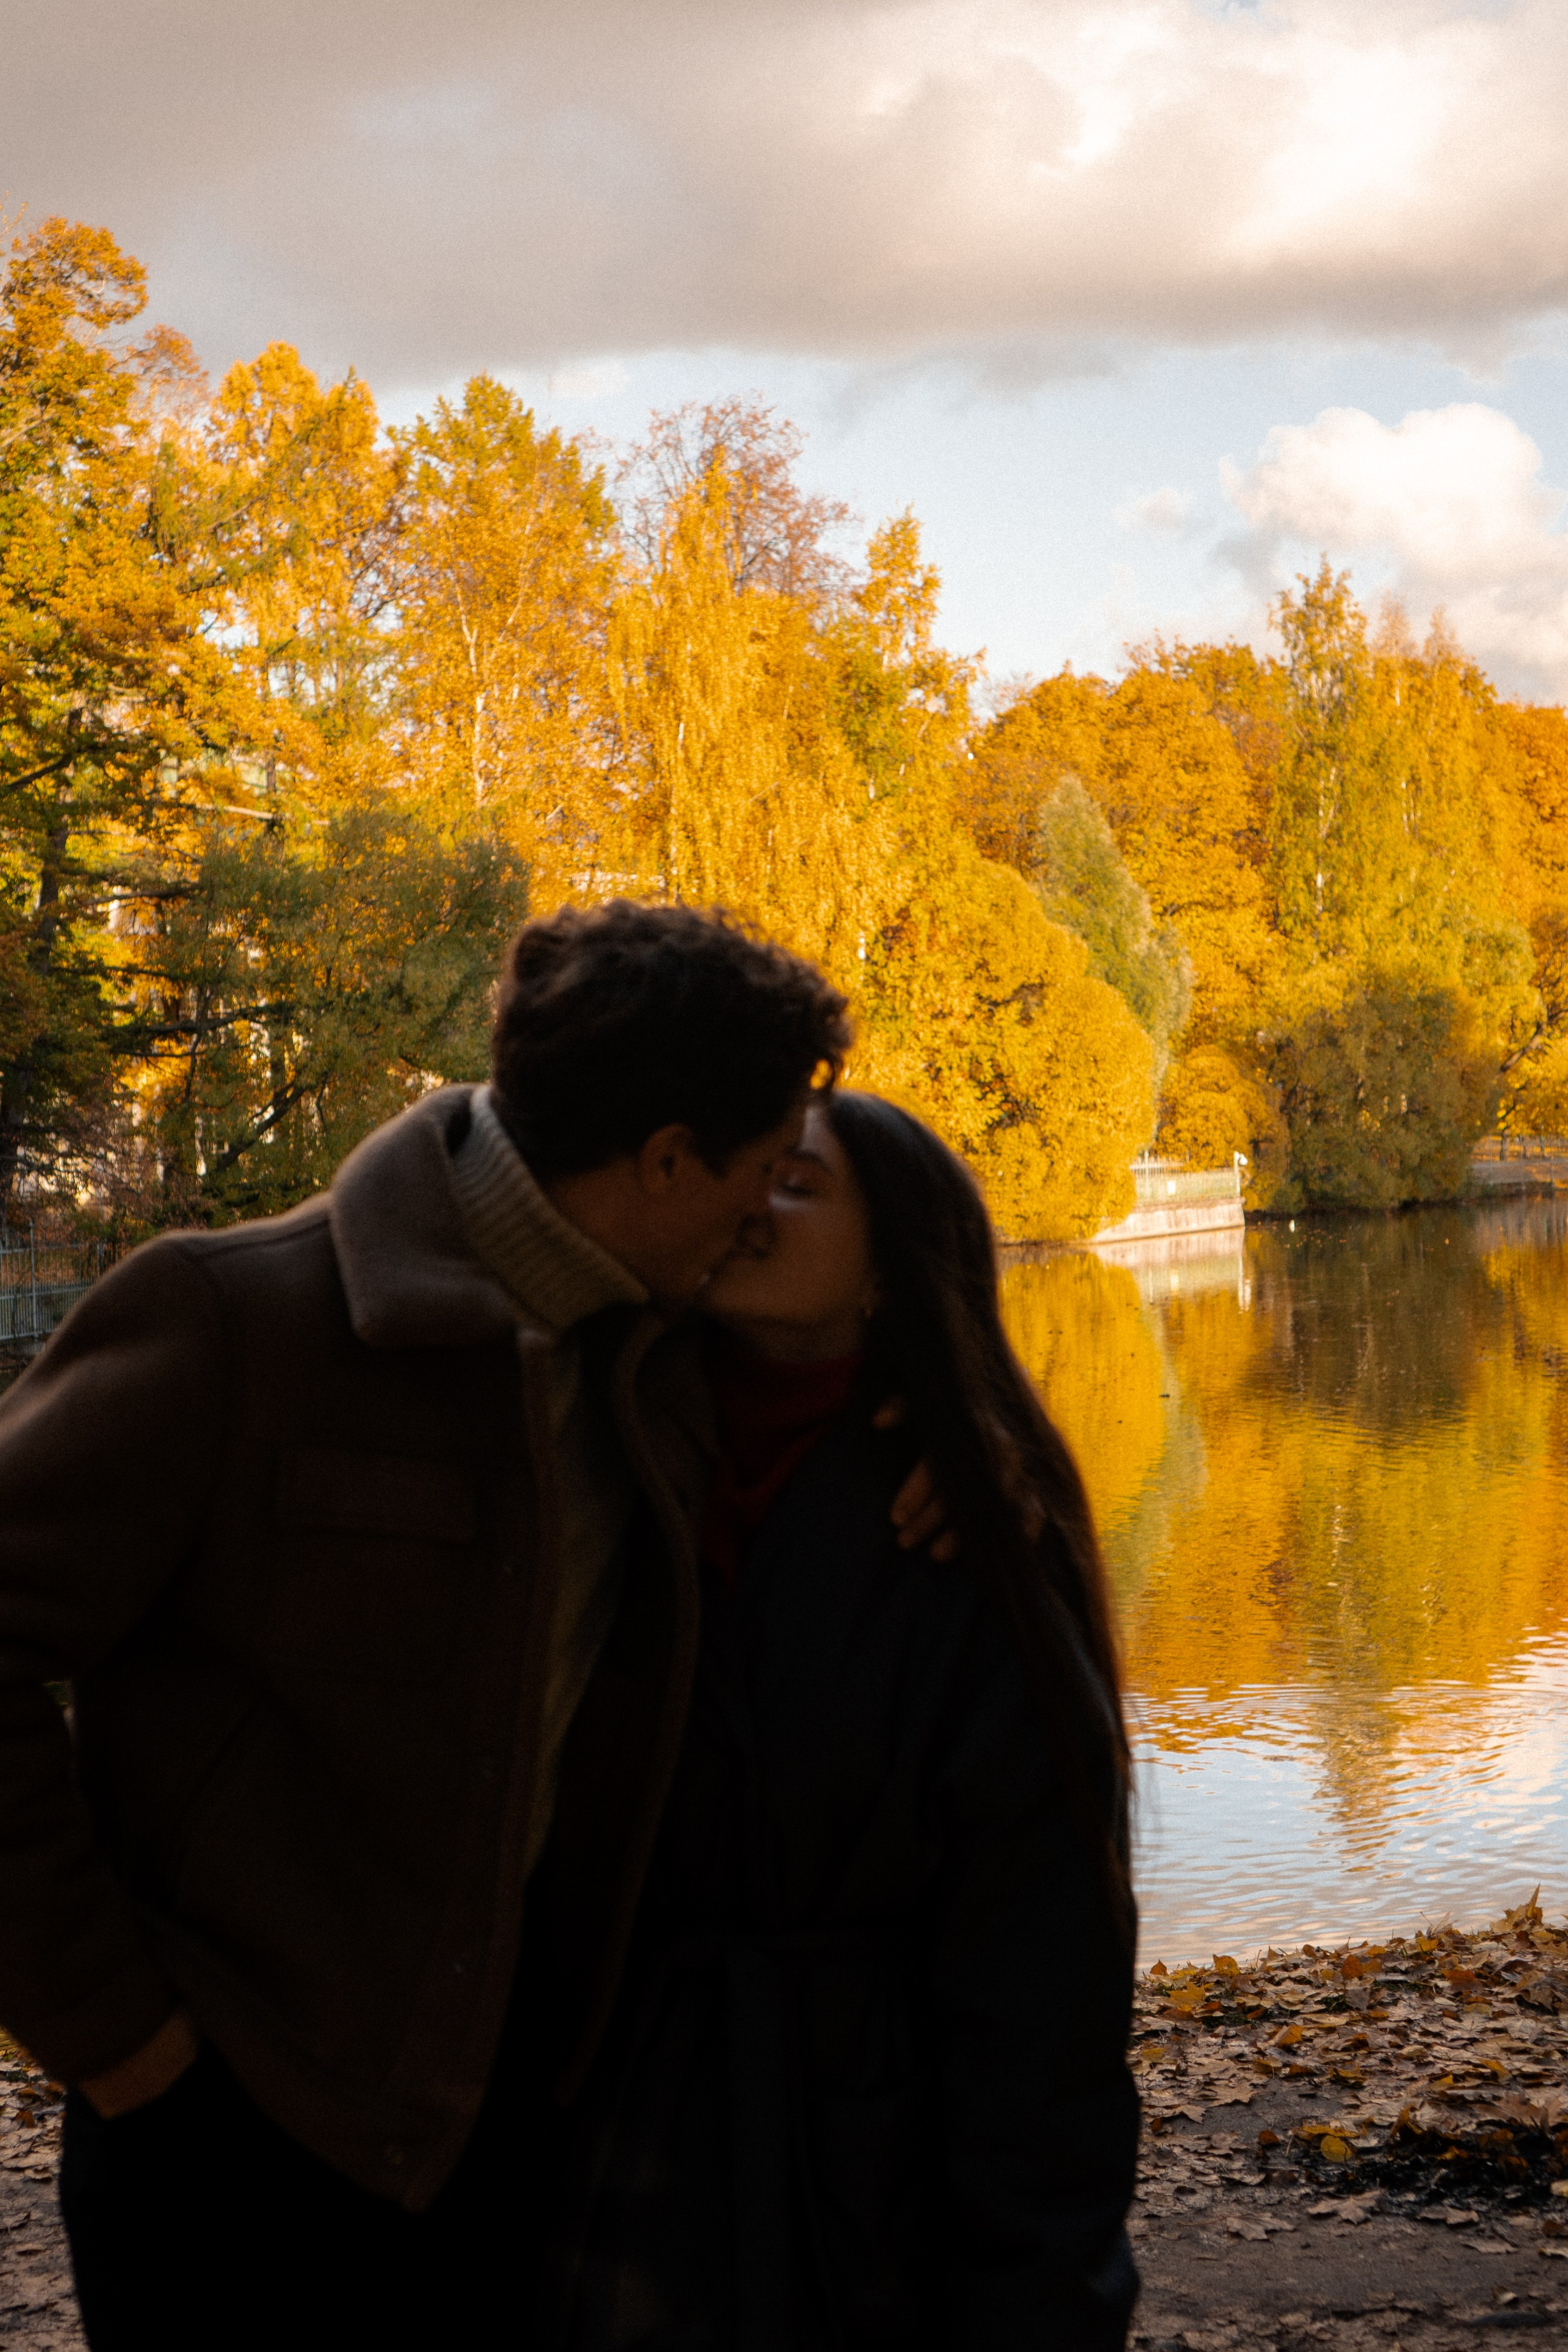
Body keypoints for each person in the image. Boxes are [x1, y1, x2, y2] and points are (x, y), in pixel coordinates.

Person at [0, 902, 944, 2350]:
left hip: (518, 2147)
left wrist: (941, 1444)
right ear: (664, 1161)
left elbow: (851, 1354)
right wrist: (120, 2043)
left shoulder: (658, 1349)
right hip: (222, 2154)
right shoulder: (228, 1324)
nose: (764, 1214)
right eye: (756, 1174)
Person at [539, 1089, 1140, 2350]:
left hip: (863, 2168)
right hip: (611, 2149)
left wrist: (1043, 2296)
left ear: (890, 1274)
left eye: (796, 1185)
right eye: (741, 1170)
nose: (748, 1204)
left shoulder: (967, 1526)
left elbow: (1040, 1975)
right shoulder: (607, 1434)